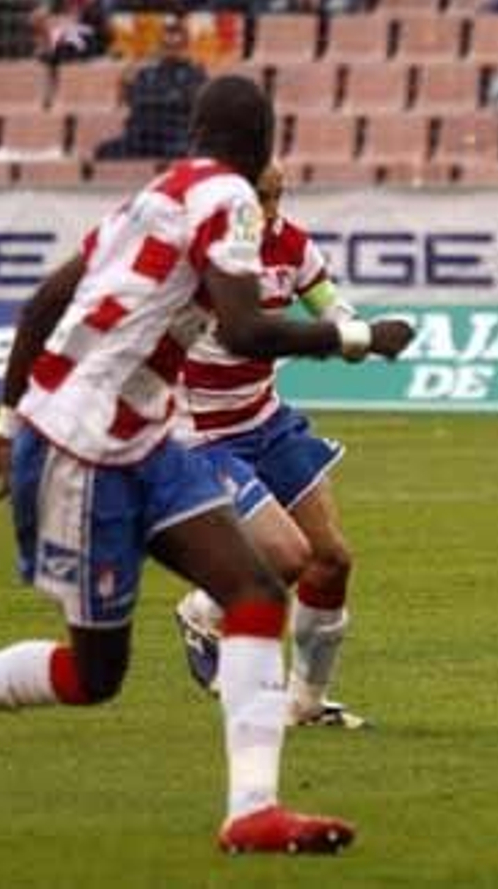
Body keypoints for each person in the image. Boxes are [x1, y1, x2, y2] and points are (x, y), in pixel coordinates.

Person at [0, 76, 414, 852]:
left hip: (142, 434)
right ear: (264, 144)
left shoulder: (155, 196)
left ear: (196, 134)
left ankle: (253, 810)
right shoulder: (234, 200)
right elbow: (244, 329)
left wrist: (6, 424)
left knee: (252, 589)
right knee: (94, 675)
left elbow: (42, 304)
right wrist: (359, 340)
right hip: (86, 445)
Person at [171, 161, 372, 729]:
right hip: (202, 434)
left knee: (331, 560)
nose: (272, 211)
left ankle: (306, 703)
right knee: (286, 557)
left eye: (279, 196)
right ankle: (203, 610)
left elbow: (328, 302)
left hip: (266, 419)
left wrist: (357, 332)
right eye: (262, 198)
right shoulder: (200, 254)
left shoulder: (290, 243)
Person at [96, 17, 207, 161]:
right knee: (104, 151)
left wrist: (158, 100)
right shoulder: (146, 73)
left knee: (181, 152)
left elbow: (189, 104)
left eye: (176, 46)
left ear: (184, 47)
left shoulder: (195, 73)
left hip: (174, 134)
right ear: (160, 46)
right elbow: (134, 99)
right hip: (144, 133)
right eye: (166, 46)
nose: (171, 51)